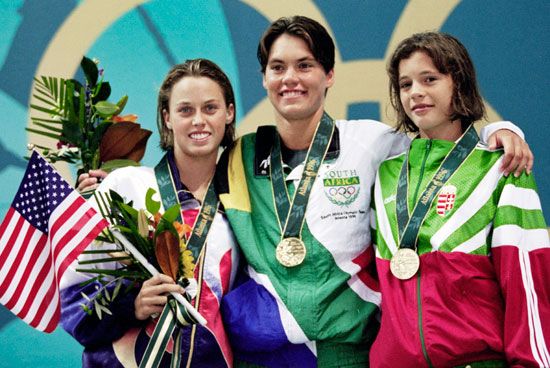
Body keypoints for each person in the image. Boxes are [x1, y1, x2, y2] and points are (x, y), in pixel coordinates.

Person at [216, 16, 533, 367]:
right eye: (278, 67)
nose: (290, 78)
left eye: (304, 65)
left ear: (330, 75)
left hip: (346, 354)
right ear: (264, 78)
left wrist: (499, 133)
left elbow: (443, 146)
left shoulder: (372, 144)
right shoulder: (239, 158)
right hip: (263, 355)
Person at [370, 31, 549, 367]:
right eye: (405, 85)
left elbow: (527, 285)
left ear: (460, 83)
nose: (416, 93)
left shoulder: (502, 167)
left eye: (430, 79)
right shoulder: (386, 174)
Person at [60, 59, 239, 367]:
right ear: (167, 118)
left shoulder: (242, 206)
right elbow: (74, 299)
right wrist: (133, 306)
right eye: (185, 110)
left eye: (210, 108)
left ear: (229, 113)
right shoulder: (126, 186)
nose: (199, 120)